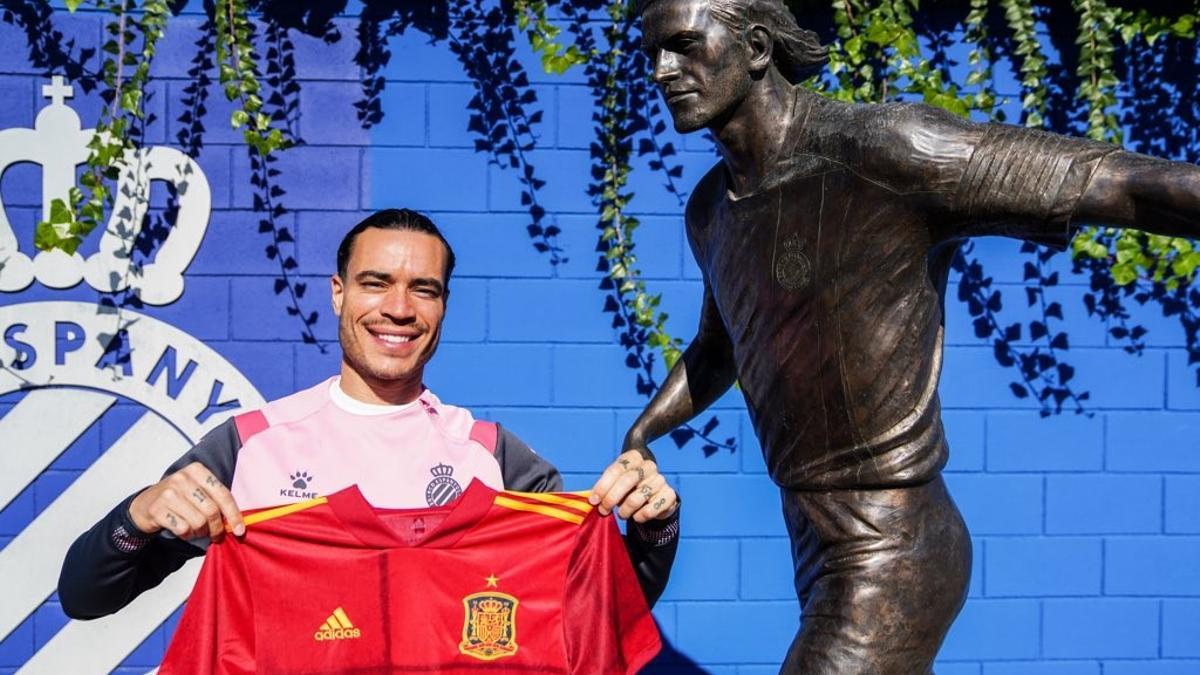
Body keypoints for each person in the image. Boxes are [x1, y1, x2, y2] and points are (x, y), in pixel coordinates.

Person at [629, 0, 1200, 672]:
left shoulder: (886, 151)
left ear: (756, 48)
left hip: (896, 547)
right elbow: (719, 349)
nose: (663, 71)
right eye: (651, 56)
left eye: (684, 45)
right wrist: (639, 436)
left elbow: (1119, 183)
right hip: (815, 547)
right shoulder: (710, 212)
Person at [59, 208, 681, 619]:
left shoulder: (493, 457)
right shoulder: (250, 447)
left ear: (444, 306)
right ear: (338, 292)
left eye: (425, 289)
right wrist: (137, 516)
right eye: (376, 282)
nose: (400, 308)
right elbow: (85, 596)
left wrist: (653, 529)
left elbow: (602, 610)